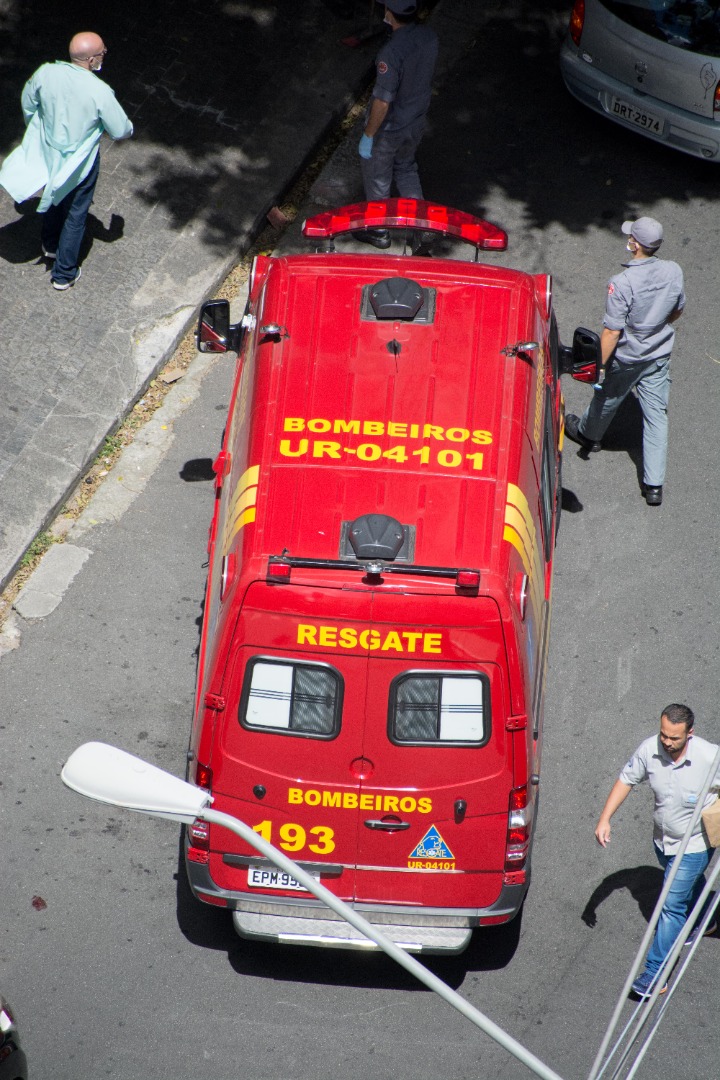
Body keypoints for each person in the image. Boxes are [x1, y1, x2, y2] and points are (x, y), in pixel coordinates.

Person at [595, 704, 719, 999]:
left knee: (670, 906)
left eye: (674, 738)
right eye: (663, 734)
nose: (666, 742)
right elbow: (626, 779)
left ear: (690, 734)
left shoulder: (711, 758)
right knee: (683, 887)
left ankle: (655, 973)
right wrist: (605, 818)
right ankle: (707, 918)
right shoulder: (649, 749)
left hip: (694, 846)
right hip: (662, 841)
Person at [564, 217, 685, 506]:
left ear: (636, 244)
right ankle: (654, 486)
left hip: (629, 356)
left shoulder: (623, 282)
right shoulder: (674, 270)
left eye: (631, 237)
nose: (628, 240)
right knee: (657, 416)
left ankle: (588, 435)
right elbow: (678, 310)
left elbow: (612, 331)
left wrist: (599, 366)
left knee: (608, 396)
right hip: (658, 353)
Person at [0, 31, 133, 290]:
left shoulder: (46, 73)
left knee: (53, 198)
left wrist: (36, 127)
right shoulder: (100, 91)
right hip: (79, 163)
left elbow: (28, 101)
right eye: (102, 53)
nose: (103, 56)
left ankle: (50, 245)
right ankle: (64, 273)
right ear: (92, 59)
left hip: (49, 153)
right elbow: (121, 130)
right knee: (75, 214)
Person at [355, 0, 438, 249]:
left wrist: (369, 133)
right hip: (416, 120)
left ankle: (378, 230)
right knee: (406, 168)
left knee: (378, 175)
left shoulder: (390, 54)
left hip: (391, 127)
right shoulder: (429, 37)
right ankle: (419, 230)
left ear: (389, 13)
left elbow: (382, 100)